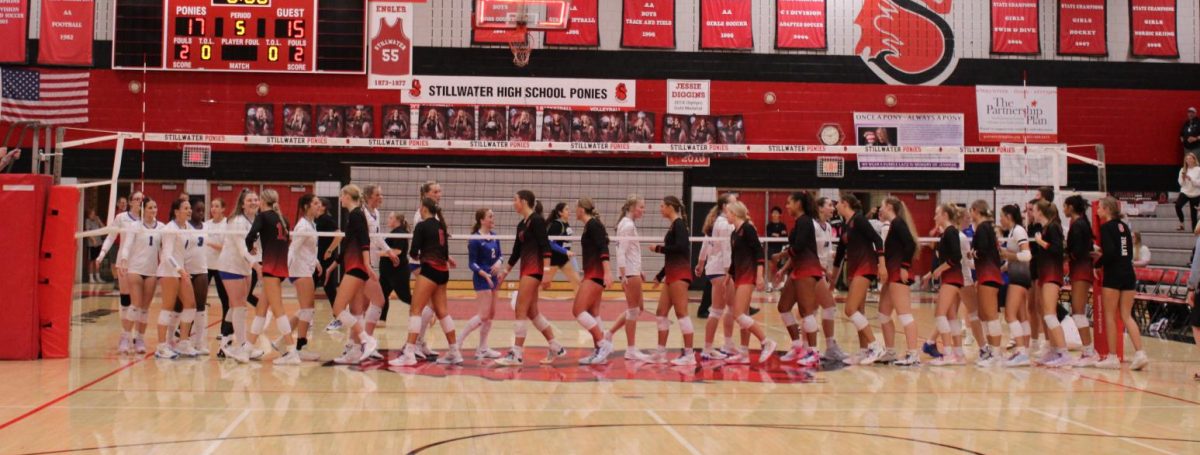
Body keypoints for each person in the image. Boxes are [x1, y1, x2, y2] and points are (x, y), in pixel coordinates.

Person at [494, 190, 567, 366]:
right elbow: (516, 252)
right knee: (532, 312)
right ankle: (556, 346)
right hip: (525, 270)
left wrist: (547, 273)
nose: (513, 203)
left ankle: (516, 354)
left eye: (515, 200)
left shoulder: (537, 221)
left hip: (534, 270)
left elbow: (545, 247)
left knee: (520, 308)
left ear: (524, 202)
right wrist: (505, 272)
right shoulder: (521, 225)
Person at [391, 198, 462, 366]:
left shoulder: (421, 226)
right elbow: (444, 252)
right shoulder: (441, 226)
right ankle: (454, 352)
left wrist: (420, 255)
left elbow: (413, 252)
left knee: (415, 310)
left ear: (423, 209)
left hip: (429, 270)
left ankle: (409, 353)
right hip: (443, 273)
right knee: (443, 312)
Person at [1093, 197, 1150, 370]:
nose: (1097, 211)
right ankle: (1140, 353)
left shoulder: (1106, 227)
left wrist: (1097, 263)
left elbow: (1110, 252)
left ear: (1107, 210)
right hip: (1128, 273)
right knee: (1126, 315)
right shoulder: (1124, 226)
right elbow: (1125, 251)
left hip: (1114, 274)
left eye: (1100, 208)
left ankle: (1112, 357)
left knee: (1110, 315)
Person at [327, 185, 379, 365]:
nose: (340, 199)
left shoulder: (357, 214)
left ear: (348, 196)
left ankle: (366, 339)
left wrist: (366, 263)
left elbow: (365, 240)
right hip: (355, 265)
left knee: (337, 308)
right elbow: (348, 243)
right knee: (357, 312)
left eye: (342, 196)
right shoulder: (355, 215)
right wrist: (332, 266)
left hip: (357, 267)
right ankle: (355, 351)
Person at [833, 194, 886, 365]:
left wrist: (882, 265)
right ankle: (864, 351)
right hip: (854, 268)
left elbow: (878, 240)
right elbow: (839, 256)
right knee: (859, 311)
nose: (836, 206)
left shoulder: (860, 220)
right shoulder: (845, 225)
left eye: (838, 204)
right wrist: (832, 282)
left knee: (850, 309)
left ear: (845, 204)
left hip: (866, 266)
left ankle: (875, 345)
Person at [216, 190, 265, 363]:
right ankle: (243, 345)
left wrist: (259, 262)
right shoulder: (237, 221)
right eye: (249, 200)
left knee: (237, 305)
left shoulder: (257, 220)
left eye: (256, 199)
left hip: (245, 266)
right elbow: (241, 248)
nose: (253, 202)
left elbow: (255, 247)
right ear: (242, 204)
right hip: (231, 265)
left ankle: (225, 343)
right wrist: (256, 266)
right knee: (239, 306)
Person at [602, 195, 653, 361]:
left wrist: (640, 269)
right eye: (641, 207)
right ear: (632, 207)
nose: (643, 210)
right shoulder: (627, 225)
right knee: (633, 310)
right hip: (629, 273)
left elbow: (632, 251)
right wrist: (624, 274)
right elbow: (621, 252)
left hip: (633, 271)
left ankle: (608, 334)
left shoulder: (628, 224)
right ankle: (630, 350)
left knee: (638, 309)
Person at [774, 191, 822, 366]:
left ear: (798, 204)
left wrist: (780, 255)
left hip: (808, 269)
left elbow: (799, 247)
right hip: (798, 269)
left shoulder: (805, 221)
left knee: (806, 311)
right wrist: (783, 269)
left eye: (789, 203)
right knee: (783, 307)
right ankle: (797, 346)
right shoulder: (799, 223)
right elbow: (796, 250)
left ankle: (814, 352)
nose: (786, 206)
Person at [649, 196, 697, 365]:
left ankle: (690, 355)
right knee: (661, 312)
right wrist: (660, 275)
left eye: (662, 206)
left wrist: (658, 248)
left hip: (680, 274)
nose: (660, 209)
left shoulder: (679, 225)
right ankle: (660, 353)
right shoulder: (673, 226)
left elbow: (681, 248)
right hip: (671, 274)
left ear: (670, 207)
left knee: (681, 313)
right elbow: (673, 255)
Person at [878, 197, 921, 366]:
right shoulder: (894, 225)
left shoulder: (897, 223)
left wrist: (904, 266)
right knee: (883, 314)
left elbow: (910, 244)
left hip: (898, 274)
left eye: (881, 206)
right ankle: (890, 352)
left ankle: (913, 354)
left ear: (889, 206)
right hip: (891, 274)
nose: (879, 210)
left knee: (904, 314)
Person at [572, 198, 616, 365]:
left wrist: (607, 272)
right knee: (593, 313)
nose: (575, 210)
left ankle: (603, 344)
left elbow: (603, 248)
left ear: (582, 209)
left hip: (596, 274)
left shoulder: (593, 225)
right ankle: (599, 350)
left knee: (578, 311)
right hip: (593, 273)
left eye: (576, 207)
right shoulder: (590, 225)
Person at [98, 192, 143, 354]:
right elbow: (111, 237)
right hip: (123, 263)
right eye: (136, 199)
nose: (139, 202)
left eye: (141, 199)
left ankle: (138, 336)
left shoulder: (146, 220)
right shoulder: (121, 217)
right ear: (130, 202)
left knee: (138, 302)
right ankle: (125, 335)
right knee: (126, 299)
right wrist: (102, 254)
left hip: (140, 264)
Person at [116, 196, 160, 356]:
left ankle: (139, 338)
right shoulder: (135, 226)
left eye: (155, 208)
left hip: (151, 271)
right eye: (150, 208)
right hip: (135, 269)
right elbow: (126, 246)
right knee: (135, 304)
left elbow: (163, 250)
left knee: (145, 308)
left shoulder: (160, 227)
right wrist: (124, 260)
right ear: (143, 209)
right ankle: (125, 337)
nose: (153, 211)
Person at [696, 193, 738, 360]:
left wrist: (700, 263)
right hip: (722, 269)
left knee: (728, 308)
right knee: (719, 310)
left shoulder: (716, 221)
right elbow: (727, 249)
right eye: (733, 203)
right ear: (724, 207)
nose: (736, 205)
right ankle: (709, 348)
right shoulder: (725, 224)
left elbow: (705, 243)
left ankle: (726, 344)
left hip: (714, 268)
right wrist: (729, 271)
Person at [1031, 200, 1073, 367]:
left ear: (1040, 212)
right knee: (1045, 313)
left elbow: (1057, 250)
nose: (1032, 213)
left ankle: (1063, 353)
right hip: (1045, 274)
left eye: (1034, 210)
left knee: (1049, 314)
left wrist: (1041, 243)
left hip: (1052, 274)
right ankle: (1054, 350)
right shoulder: (1046, 227)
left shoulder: (1053, 227)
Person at [154, 199, 198, 359]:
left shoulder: (188, 227)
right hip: (169, 271)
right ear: (176, 211)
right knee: (167, 307)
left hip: (181, 271)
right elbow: (166, 255)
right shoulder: (169, 229)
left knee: (191, 305)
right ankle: (161, 347)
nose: (189, 210)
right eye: (186, 208)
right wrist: (179, 269)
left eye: (190, 208)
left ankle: (183, 343)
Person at [460, 208, 504, 359]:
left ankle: (483, 348)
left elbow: (501, 255)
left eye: (493, 216)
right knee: (483, 314)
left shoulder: (495, 236)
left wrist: (499, 262)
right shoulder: (474, 239)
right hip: (481, 278)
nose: (493, 219)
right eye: (490, 217)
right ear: (482, 220)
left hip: (494, 278)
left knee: (490, 314)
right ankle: (458, 343)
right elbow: (471, 263)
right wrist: (483, 273)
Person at [286, 194, 324, 362]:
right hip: (299, 270)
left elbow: (308, 249)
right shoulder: (302, 226)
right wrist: (284, 269)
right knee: (307, 309)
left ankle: (282, 341)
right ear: (307, 206)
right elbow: (293, 248)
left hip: (306, 268)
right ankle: (300, 348)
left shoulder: (311, 224)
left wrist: (316, 261)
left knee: (306, 309)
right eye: (316, 203)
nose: (319, 206)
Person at [968, 200, 1005, 367]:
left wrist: (971, 253)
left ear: (976, 211)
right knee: (984, 314)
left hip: (990, 274)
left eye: (971, 212)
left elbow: (982, 251)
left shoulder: (983, 228)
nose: (970, 216)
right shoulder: (986, 227)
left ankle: (996, 353)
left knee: (990, 314)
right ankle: (991, 350)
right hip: (985, 274)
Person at [927, 204, 965, 366]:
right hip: (952, 277)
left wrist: (940, 270)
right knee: (951, 317)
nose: (934, 217)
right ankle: (959, 354)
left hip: (952, 278)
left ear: (944, 214)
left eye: (937, 214)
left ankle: (948, 353)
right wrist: (932, 272)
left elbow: (956, 257)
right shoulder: (946, 233)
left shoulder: (951, 232)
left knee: (939, 314)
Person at [1063, 195, 1099, 366]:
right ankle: (1088, 349)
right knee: (1077, 311)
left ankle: (1089, 350)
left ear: (1070, 207)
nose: (1064, 210)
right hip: (1080, 270)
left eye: (1065, 207)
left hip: (1081, 270)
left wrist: (1062, 254)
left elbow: (1076, 251)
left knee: (1078, 311)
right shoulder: (1081, 223)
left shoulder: (1078, 225)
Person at [998, 205, 1033, 367]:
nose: (1000, 220)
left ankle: (1021, 350)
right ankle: (1024, 350)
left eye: (1001, 216)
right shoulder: (1013, 231)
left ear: (1009, 216)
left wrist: (1007, 255)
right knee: (1021, 316)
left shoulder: (1018, 230)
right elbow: (1013, 258)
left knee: (1009, 315)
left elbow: (1027, 255)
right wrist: (1002, 267)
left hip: (1020, 277)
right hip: (1018, 275)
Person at [185, 200, 211, 356]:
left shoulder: (207, 227)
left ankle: (199, 343)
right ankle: (183, 341)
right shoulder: (185, 227)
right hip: (186, 271)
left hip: (201, 270)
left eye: (202, 210)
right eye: (197, 210)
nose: (200, 213)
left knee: (200, 307)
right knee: (184, 307)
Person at [379, 212, 412, 326]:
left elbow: (397, 251)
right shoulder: (394, 232)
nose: (388, 219)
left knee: (405, 297)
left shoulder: (399, 233)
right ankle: (382, 320)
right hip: (387, 272)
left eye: (390, 217)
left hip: (398, 272)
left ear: (397, 220)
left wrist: (379, 253)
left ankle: (426, 311)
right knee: (382, 295)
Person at [545, 202, 581, 290]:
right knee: (544, 284)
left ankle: (580, 303)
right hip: (554, 259)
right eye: (566, 209)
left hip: (564, 260)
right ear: (560, 212)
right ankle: (525, 300)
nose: (569, 211)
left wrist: (569, 253)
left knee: (577, 282)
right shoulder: (557, 225)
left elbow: (565, 242)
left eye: (569, 209)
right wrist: (566, 251)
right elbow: (551, 243)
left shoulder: (566, 224)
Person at [765, 207, 788, 292]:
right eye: (773, 213)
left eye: (776, 213)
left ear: (779, 215)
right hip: (771, 247)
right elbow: (770, 235)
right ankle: (770, 285)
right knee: (771, 267)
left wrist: (777, 235)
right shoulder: (769, 225)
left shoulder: (783, 225)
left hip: (781, 248)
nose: (774, 215)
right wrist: (778, 234)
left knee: (781, 267)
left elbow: (785, 235)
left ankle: (781, 284)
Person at [1177, 154, 1200, 231]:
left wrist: (1191, 179)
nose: (1189, 160)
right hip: (1185, 192)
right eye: (1187, 159)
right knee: (1178, 205)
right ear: (1185, 161)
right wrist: (1183, 179)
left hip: (1196, 194)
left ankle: (1194, 231)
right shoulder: (1182, 170)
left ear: (1194, 159)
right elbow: (1181, 184)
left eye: (1190, 159)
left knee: (1193, 214)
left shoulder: (1198, 169)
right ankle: (1182, 223)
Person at [85, 208, 105, 282]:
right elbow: (88, 231)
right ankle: (91, 278)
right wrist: (93, 240)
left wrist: (99, 221)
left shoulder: (97, 220)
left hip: (99, 243)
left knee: (98, 260)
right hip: (91, 245)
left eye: (94, 214)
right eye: (92, 214)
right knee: (91, 261)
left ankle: (98, 276)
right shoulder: (88, 221)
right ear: (89, 215)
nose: (93, 216)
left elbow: (104, 228)